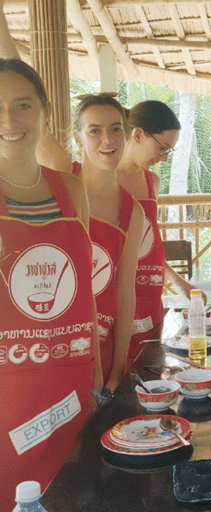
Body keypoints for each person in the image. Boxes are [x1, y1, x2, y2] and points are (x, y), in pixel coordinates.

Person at [0, 57, 101, 509]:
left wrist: (97, 377)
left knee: (75, 495)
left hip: (71, 386)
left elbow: (85, 295)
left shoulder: (71, 189)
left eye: (22, 105)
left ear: (44, 111)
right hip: (8, 397)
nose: (9, 120)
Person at [116, 100, 202, 364]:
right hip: (118, 300)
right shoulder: (101, 180)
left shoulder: (151, 182)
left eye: (169, 151)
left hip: (151, 298)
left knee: (150, 367)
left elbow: (150, 246)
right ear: (138, 134)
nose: (164, 157)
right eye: (162, 147)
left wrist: (179, 283)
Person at [67, 94, 143, 393]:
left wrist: (117, 372)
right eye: (94, 130)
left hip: (103, 349)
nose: (106, 139)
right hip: (58, 348)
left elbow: (125, 296)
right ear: (77, 138)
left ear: (125, 136)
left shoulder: (131, 211)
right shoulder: (61, 185)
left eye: (115, 129)